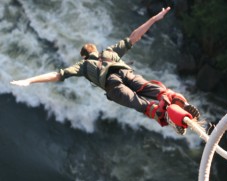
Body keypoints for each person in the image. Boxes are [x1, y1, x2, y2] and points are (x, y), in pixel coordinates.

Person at [10, 7, 199, 134]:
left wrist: (29, 80)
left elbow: (58, 75)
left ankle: (168, 116)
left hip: (113, 86)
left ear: (84, 56)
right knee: (158, 91)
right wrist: (155, 19)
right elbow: (135, 36)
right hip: (126, 74)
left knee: (145, 106)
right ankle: (175, 102)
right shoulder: (109, 51)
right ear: (95, 49)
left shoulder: (83, 66)